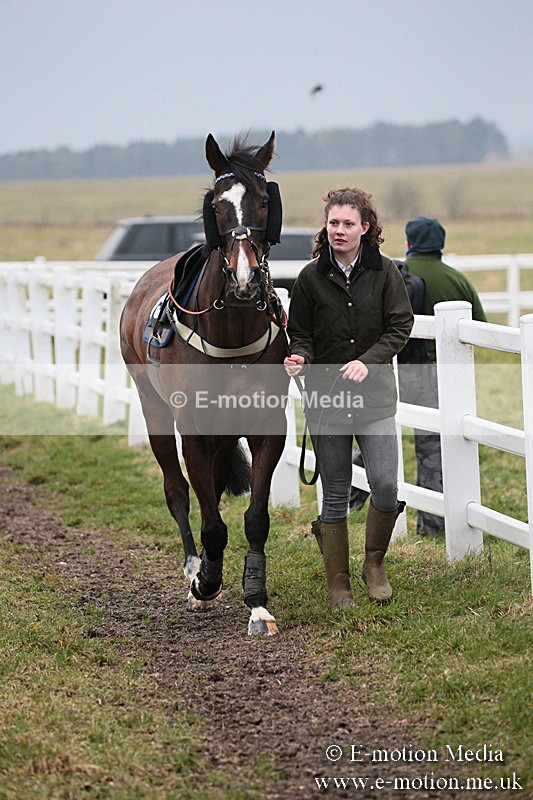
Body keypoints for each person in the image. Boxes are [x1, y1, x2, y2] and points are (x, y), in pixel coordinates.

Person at [284, 188, 414, 608]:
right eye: (333, 223)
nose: (339, 230)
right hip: (326, 400)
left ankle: (373, 564)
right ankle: (338, 582)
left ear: (365, 228)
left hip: (374, 398)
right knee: (335, 490)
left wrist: (368, 361)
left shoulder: (386, 273)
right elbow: (300, 331)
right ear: (326, 226)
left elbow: (400, 326)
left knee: (385, 485)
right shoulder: (309, 278)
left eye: (348, 224)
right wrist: (300, 354)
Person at [349, 216, 487, 536]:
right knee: (431, 447)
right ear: (441, 244)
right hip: (440, 375)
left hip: (392, 368)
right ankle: (432, 524)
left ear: (409, 243)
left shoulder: (391, 275)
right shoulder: (456, 280)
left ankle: (349, 497)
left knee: (376, 436)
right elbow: (480, 327)